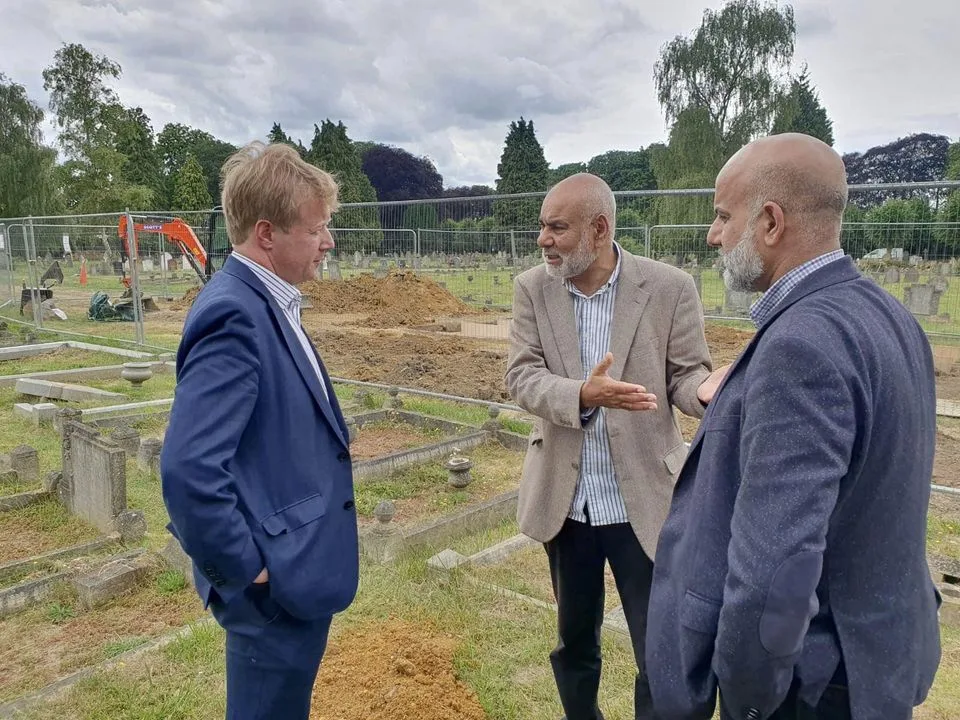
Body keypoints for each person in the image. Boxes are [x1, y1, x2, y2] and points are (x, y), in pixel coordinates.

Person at [646, 133, 942, 720]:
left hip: (815, 685)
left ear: (771, 222)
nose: (713, 235)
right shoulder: (888, 316)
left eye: (723, 216)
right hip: (876, 656)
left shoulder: (800, 345)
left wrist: (753, 700)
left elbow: (775, 577)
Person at [505, 173, 726, 720]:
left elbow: (685, 374)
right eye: (542, 226)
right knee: (574, 641)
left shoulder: (670, 287)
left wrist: (701, 391)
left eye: (556, 228)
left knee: (660, 652)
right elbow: (522, 376)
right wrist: (582, 393)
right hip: (567, 500)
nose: (543, 239)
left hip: (646, 501)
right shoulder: (533, 287)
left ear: (599, 230)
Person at [160, 141, 359, 720]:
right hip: (272, 590)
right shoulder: (235, 314)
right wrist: (248, 571)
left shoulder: (268, 300)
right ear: (267, 234)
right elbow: (189, 470)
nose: (329, 242)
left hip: (295, 571)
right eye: (317, 229)